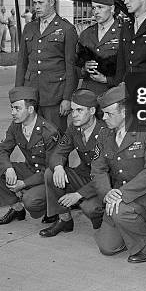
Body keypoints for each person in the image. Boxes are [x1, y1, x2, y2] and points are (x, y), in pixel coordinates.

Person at [91, 83, 146, 264]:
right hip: (117, 194)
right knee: (107, 247)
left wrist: (122, 195)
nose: (104, 117)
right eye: (104, 113)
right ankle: (133, 226)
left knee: (120, 212)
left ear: (125, 112)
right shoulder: (104, 134)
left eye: (109, 113)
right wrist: (108, 193)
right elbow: (98, 168)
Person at [0, 87, 60, 225]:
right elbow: (0, 151)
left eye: (17, 109)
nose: (12, 113)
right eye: (12, 108)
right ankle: (17, 208)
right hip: (30, 169)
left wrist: (23, 184)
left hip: (48, 177)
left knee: (31, 201)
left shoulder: (49, 132)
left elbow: (51, 169)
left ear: (31, 109)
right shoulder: (16, 126)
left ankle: (53, 210)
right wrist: (8, 168)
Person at [40, 88, 106, 237]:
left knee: (90, 207)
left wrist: (78, 194)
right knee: (51, 173)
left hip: (104, 182)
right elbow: (58, 152)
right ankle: (64, 219)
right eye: (73, 110)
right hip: (85, 176)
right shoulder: (74, 128)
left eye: (80, 110)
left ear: (92, 111)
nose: (74, 115)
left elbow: (105, 175)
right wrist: (58, 168)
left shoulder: (105, 132)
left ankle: (106, 223)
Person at [15, 0, 78, 131]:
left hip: (54, 95)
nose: (36, 6)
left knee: (55, 138)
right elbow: (22, 63)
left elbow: (71, 66)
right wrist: (18, 94)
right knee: (32, 138)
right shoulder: (29, 28)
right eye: (35, 3)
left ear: (51, 2)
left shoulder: (66, 29)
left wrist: (67, 98)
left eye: (40, 3)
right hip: (31, 95)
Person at [76, 0, 121, 95]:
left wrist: (107, 80)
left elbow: (129, 68)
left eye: (100, 7)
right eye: (94, 8)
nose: (96, 12)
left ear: (112, 9)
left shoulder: (123, 33)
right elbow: (75, 64)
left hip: (112, 94)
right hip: (88, 93)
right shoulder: (86, 33)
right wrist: (84, 68)